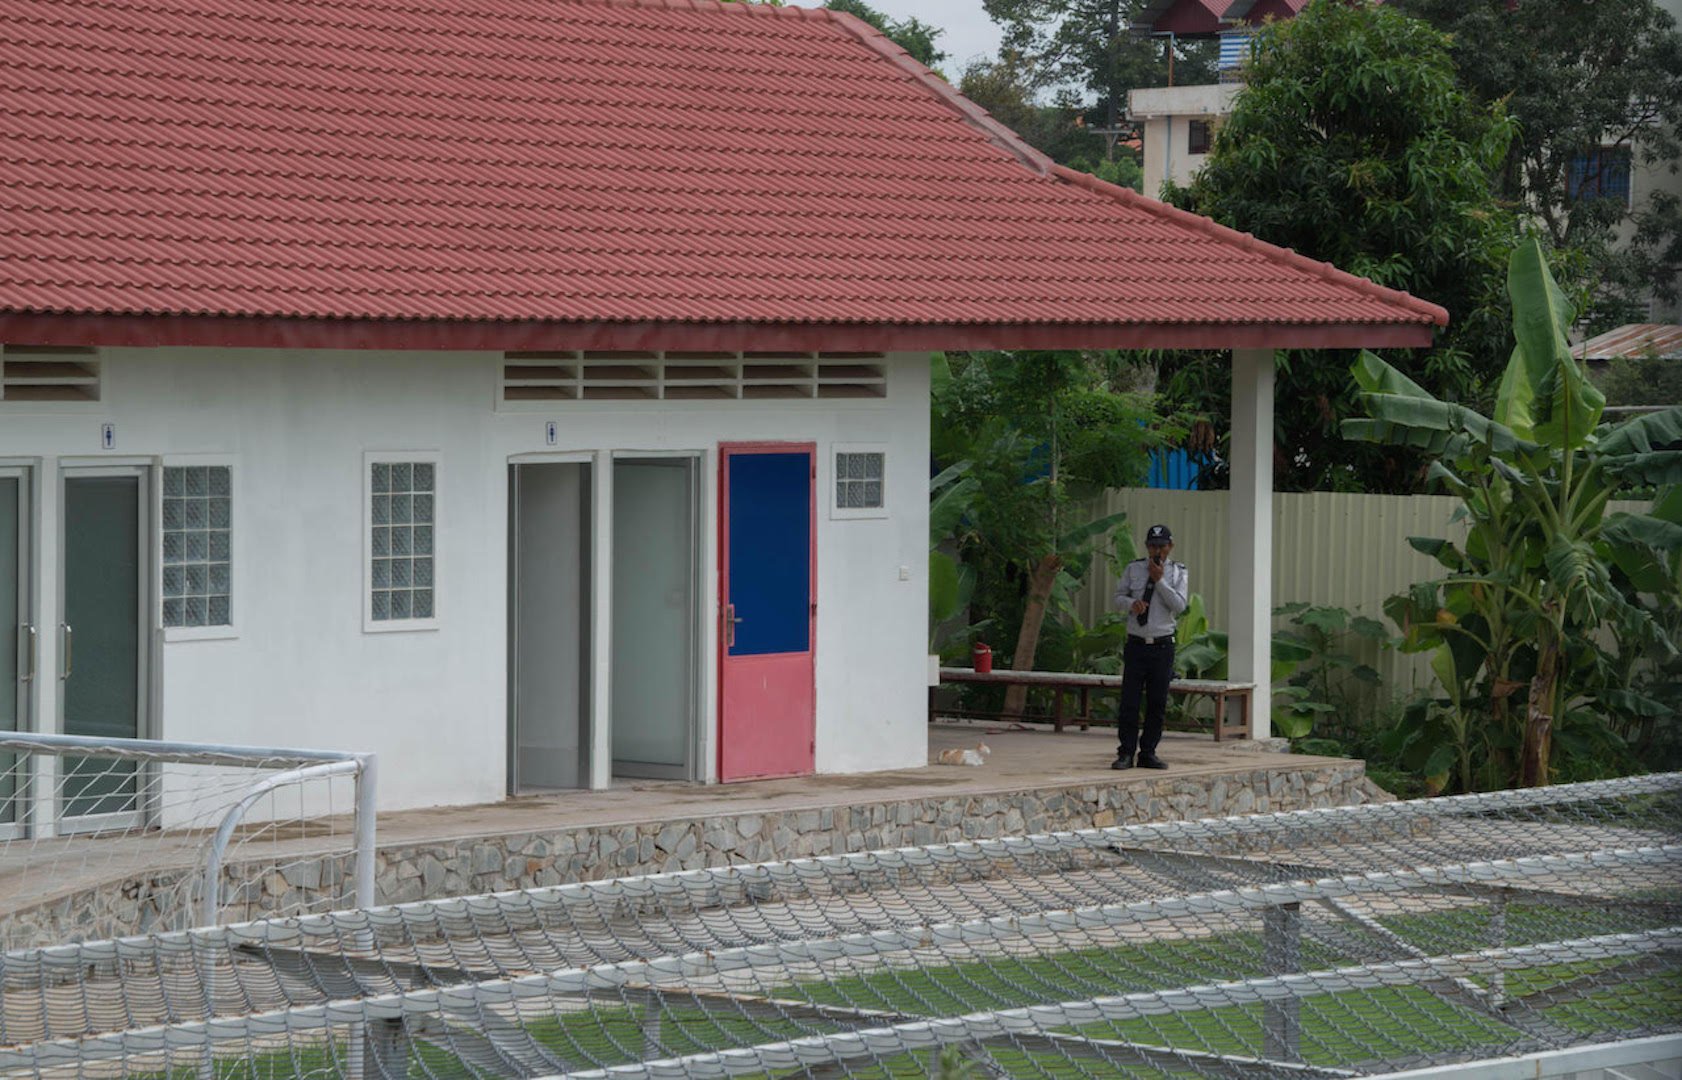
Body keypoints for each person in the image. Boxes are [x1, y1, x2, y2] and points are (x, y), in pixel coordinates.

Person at [1111, 523, 1188, 770]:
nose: (1158, 550)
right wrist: (1131, 603)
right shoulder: (1134, 568)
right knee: (1130, 702)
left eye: (1162, 546)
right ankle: (1125, 752)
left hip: (1162, 646)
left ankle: (1148, 752)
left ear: (1170, 547)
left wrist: (1160, 581)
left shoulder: (1178, 572)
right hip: (1136, 644)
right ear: (1147, 546)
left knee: (1157, 702)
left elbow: (1179, 606)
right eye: (1153, 545)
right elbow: (1118, 598)